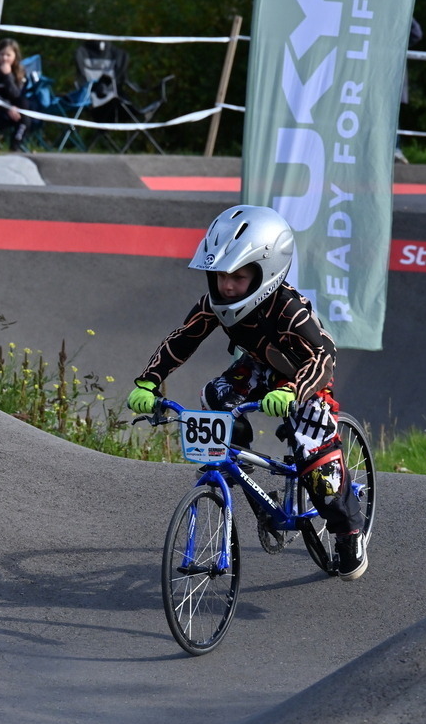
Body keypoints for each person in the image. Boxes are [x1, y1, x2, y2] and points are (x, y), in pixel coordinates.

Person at [127, 205, 367, 582]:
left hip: (305, 376)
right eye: (220, 275)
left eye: (237, 277)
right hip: (257, 367)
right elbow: (183, 338)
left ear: (265, 274)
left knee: (317, 461)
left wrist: (294, 391)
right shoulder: (215, 303)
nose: (226, 286)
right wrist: (148, 381)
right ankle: (238, 458)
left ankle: (348, 531)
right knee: (214, 398)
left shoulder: (289, 310)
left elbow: (323, 360)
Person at [394, 17, 423, 164]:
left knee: (390, 114)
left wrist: (397, 46)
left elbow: (416, 33)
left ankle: (395, 150)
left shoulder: (398, 7)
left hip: (391, 71)